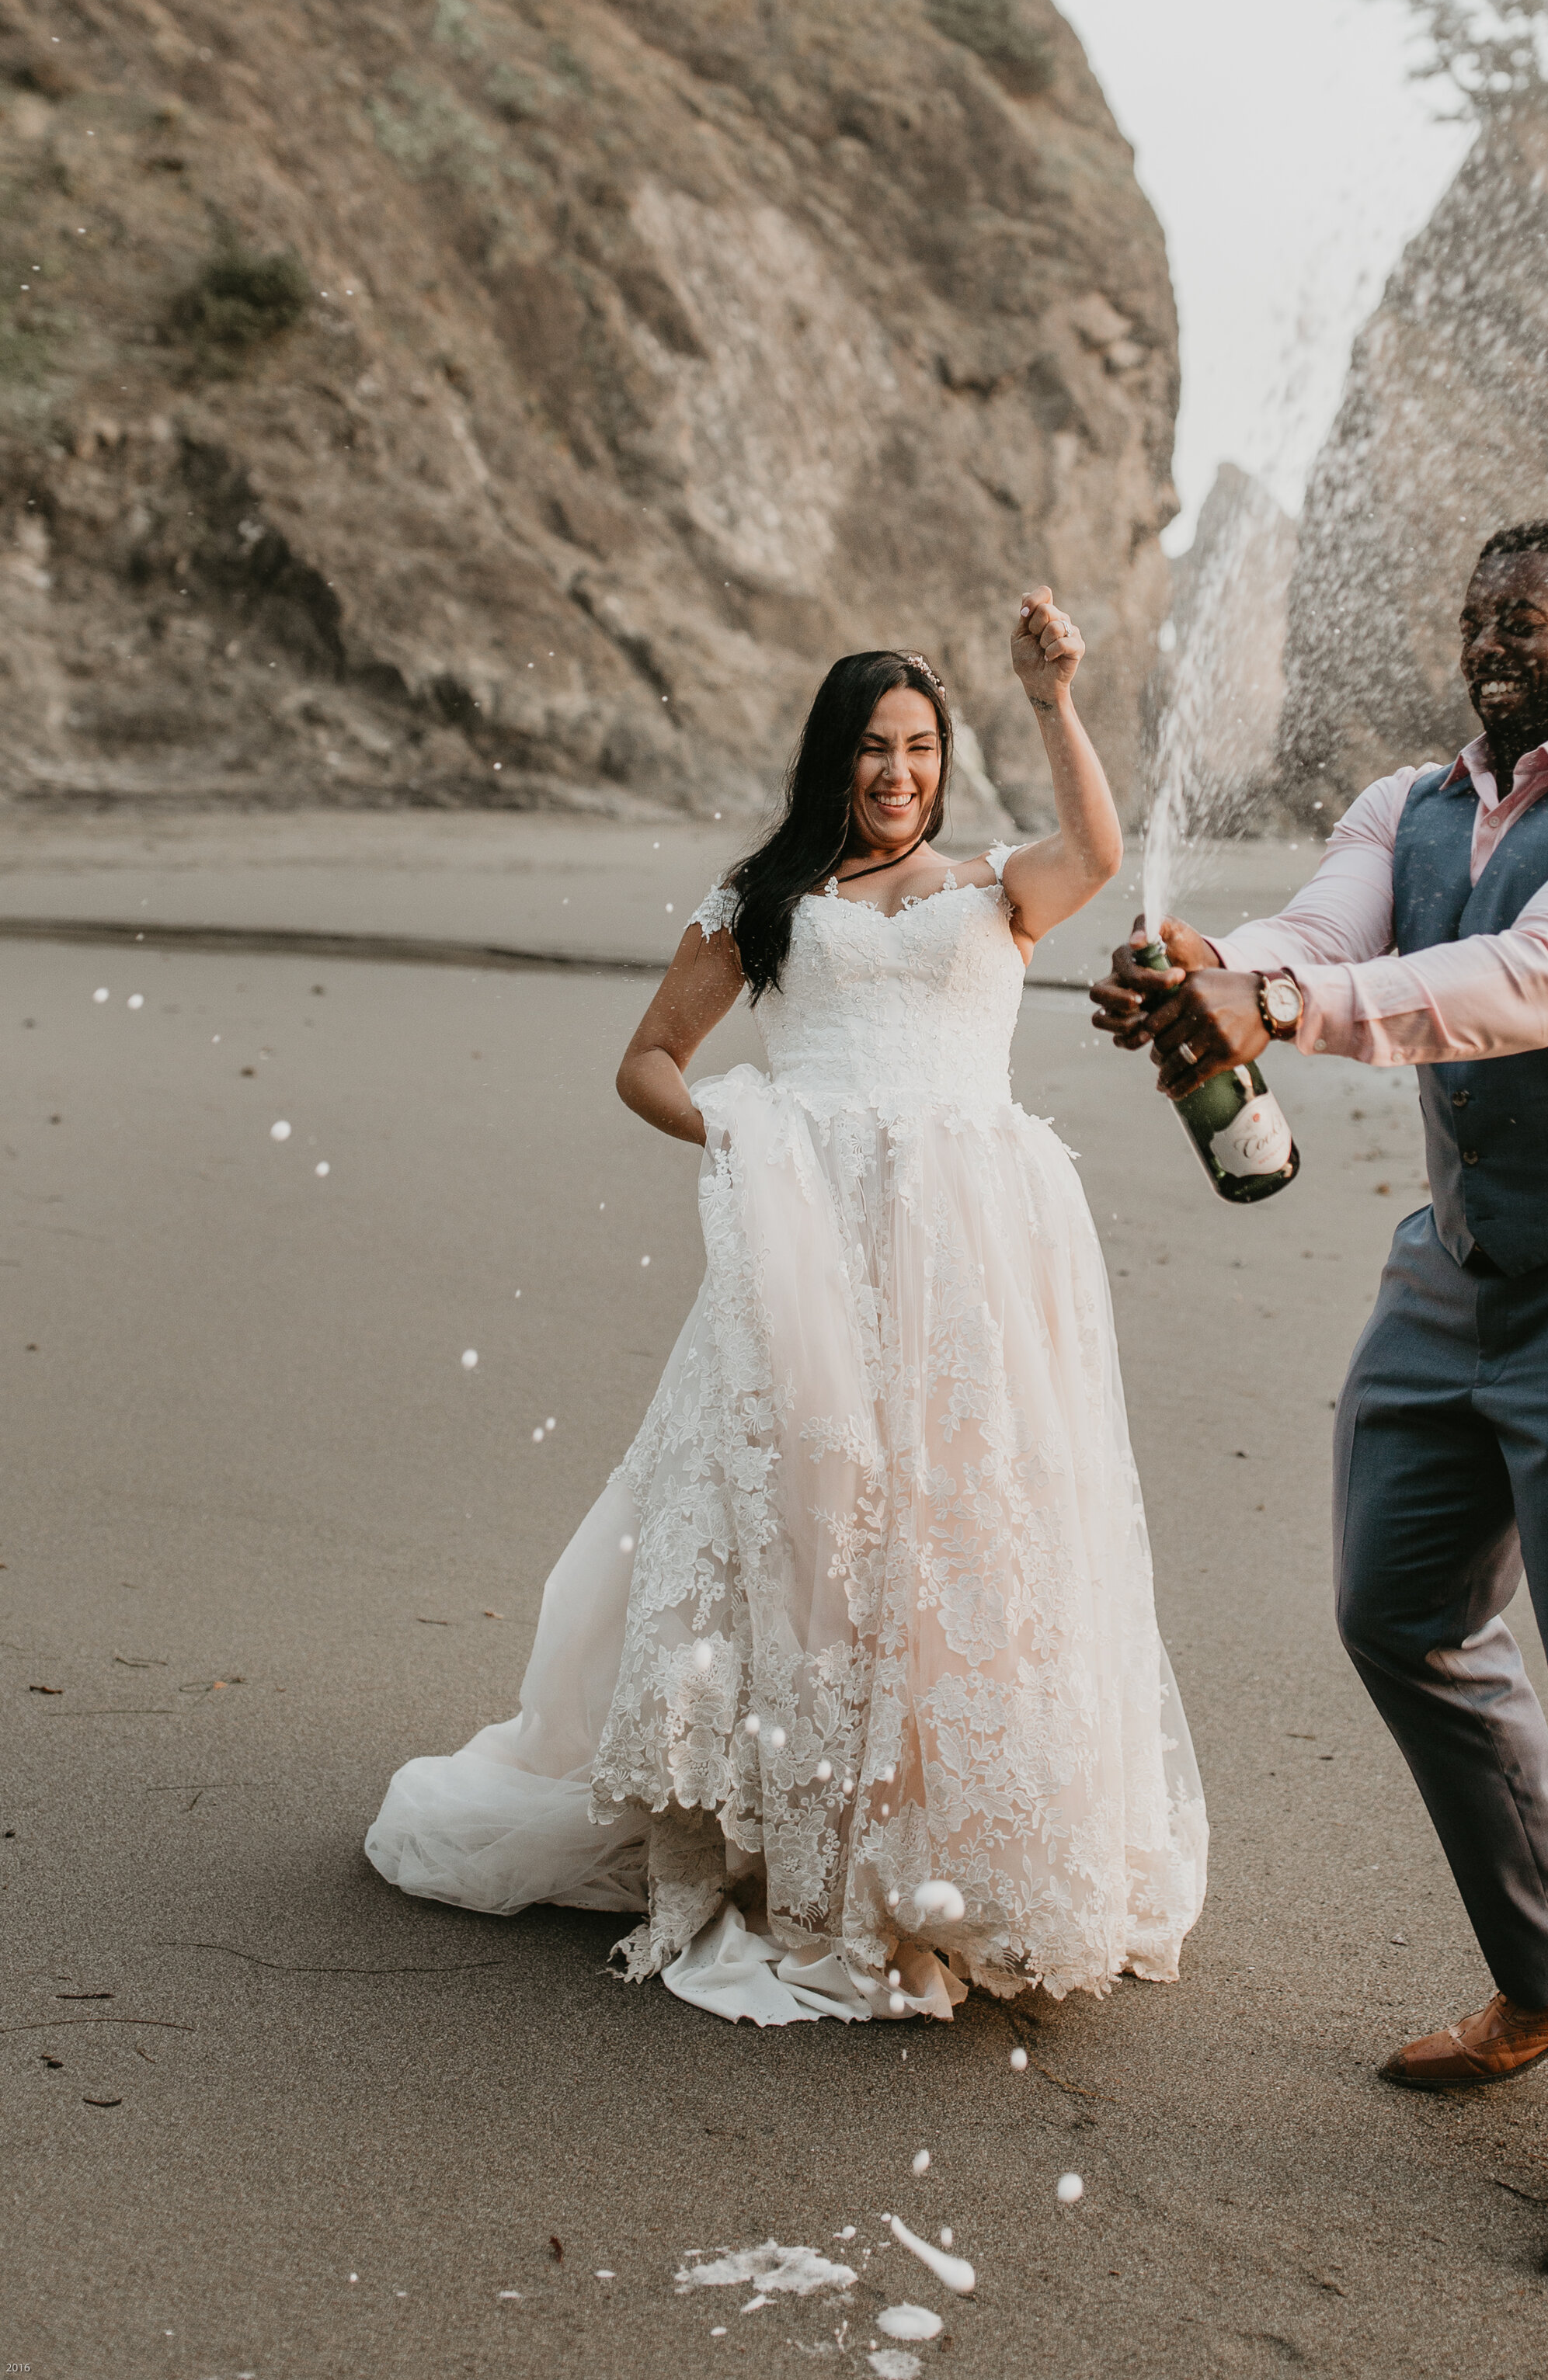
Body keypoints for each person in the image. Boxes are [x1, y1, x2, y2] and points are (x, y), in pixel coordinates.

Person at [368, 590, 1206, 2026]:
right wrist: (747, 1144)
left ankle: (959, 1840)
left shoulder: (996, 888)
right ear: (835, 758)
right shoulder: (766, 900)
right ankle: (809, 1840)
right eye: (875, 748)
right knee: (821, 1531)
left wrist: (1051, 695)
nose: (899, 772)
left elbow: (1101, 853)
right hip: (811, 1262)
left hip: (976, 1264)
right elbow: (647, 1057)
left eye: (923, 748)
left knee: (971, 1524)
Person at [1092, 516, 1548, 2284]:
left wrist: (1280, 1001)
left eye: (1525, 620)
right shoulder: (1406, 805)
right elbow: (1320, 926)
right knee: (1394, 1614)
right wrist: (1206, 972)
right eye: (1471, 617)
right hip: (1452, 1272)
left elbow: (1531, 980)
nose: (1488, 643)